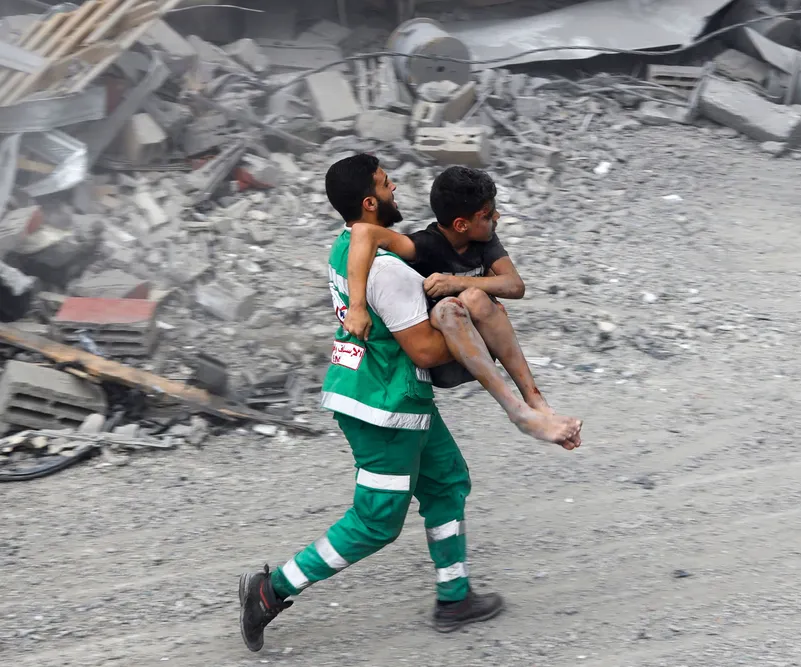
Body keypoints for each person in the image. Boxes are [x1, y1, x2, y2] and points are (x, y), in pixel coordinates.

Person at [237, 154, 582, 653]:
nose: (395, 187)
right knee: (376, 521)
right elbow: (423, 350)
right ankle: (270, 591)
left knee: (447, 483)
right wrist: (474, 336)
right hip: (383, 405)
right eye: (385, 183)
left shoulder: (346, 248)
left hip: (392, 394)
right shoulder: (389, 272)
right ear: (370, 201)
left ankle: (454, 598)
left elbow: (369, 248)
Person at [343, 165, 580, 446]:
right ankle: (517, 412)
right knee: (450, 307)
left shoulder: (484, 241)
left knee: (473, 297)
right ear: (461, 225)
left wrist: (455, 282)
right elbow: (363, 233)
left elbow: (515, 285)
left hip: (481, 354)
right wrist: (356, 307)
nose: (497, 217)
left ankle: (536, 403)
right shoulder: (425, 245)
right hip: (443, 362)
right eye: (487, 215)